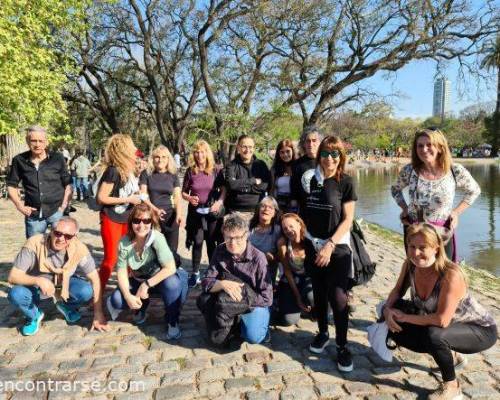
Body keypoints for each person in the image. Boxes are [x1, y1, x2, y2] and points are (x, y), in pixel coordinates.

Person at [382, 224, 497, 400]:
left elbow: (442, 320)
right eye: (412, 246)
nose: (415, 253)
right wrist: (388, 311)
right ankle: (451, 355)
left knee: (434, 335)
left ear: (436, 248)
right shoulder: (410, 266)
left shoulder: (450, 274)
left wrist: (404, 317)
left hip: (479, 329)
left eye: (422, 248)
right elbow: (397, 291)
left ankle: (452, 386)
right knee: (394, 327)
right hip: (448, 325)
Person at [301, 136, 357, 372]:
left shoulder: (346, 182)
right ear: (319, 155)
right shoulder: (309, 179)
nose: (330, 159)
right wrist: (309, 240)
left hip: (338, 247)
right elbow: (302, 212)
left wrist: (330, 244)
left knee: (338, 297)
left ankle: (342, 345)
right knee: (320, 293)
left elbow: (348, 220)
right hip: (313, 244)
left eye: (335, 154)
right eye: (325, 153)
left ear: (341, 157)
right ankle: (323, 333)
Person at [7, 217, 109, 336]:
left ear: (74, 236)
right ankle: (34, 315)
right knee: (16, 294)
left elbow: (95, 279)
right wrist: (38, 280)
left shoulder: (79, 248)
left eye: (68, 236)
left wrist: (98, 314)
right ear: (51, 231)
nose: (61, 239)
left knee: (86, 290)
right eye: (58, 233)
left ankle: (66, 306)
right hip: (33, 286)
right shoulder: (34, 243)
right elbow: (13, 276)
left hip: (62, 284)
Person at [391, 128, 480, 262]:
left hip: (442, 232)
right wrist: (405, 208)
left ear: (440, 147)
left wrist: (456, 212)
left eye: (429, 145)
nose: (424, 149)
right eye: (420, 145)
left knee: (442, 274)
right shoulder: (409, 170)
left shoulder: (455, 170)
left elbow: (474, 190)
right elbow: (395, 190)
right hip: (415, 232)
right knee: (417, 273)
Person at [106, 204, 188, 339]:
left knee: (173, 284)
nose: (141, 225)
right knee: (117, 300)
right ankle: (141, 308)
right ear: (131, 222)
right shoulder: (124, 242)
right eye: (137, 220)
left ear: (151, 222)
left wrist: (146, 285)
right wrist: (127, 295)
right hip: (139, 280)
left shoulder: (157, 238)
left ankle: (172, 320)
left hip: (161, 279)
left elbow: (170, 268)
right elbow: (121, 272)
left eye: (146, 221)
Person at [201, 213, 273, 344]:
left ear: (246, 235)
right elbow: (206, 281)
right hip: (227, 299)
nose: (233, 243)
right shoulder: (220, 250)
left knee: (253, 337)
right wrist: (222, 284)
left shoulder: (259, 258)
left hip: (253, 303)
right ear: (223, 235)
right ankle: (232, 324)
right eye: (228, 238)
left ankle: (262, 327)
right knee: (203, 300)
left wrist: (242, 299)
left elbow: (267, 298)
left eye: (238, 237)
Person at [7, 126, 73, 238]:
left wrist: (64, 206)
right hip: (33, 215)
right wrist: (20, 206)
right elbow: (11, 185)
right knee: (34, 249)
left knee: (62, 248)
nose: (37, 144)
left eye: (40, 141)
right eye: (33, 140)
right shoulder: (19, 160)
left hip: (57, 212)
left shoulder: (57, 158)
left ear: (46, 142)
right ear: (27, 141)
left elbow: (68, 183)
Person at [96, 134, 141, 288]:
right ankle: (98, 293)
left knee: (129, 255)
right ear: (124, 149)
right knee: (111, 258)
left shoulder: (128, 169)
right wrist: (128, 200)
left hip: (126, 218)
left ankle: (128, 290)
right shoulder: (113, 170)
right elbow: (101, 198)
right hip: (111, 218)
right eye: (131, 145)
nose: (135, 148)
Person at [182, 140, 226, 288]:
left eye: (202, 152)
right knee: (198, 241)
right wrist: (189, 198)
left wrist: (219, 202)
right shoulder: (190, 171)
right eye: (196, 152)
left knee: (211, 241)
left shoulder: (216, 170)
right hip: (196, 212)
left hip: (212, 212)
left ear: (207, 153)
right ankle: (195, 273)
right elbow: (183, 192)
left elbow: (224, 189)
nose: (199, 155)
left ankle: (212, 272)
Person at [139, 145, 182, 268]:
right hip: (152, 216)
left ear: (168, 159)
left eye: (164, 157)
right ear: (152, 159)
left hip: (171, 216)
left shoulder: (173, 175)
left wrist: (179, 215)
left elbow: (177, 197)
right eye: (157, 157)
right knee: (153, 248)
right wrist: (155, 209)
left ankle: (171, 275)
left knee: (172, 250)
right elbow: (143, 195)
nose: (160, 160)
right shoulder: (146, 174)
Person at [275, 213, 313, 326]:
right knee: (288, 321)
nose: (288, 230)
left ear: (299, 224)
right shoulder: (283, 243)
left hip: (309, 278)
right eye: (285, 228)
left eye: (291, 226)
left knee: (312, 300)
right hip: (291, 279)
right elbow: (287, 271)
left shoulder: (310, 241)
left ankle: (310, 304)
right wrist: (297, 297)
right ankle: (294, 304)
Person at [224, 135, 270, 223]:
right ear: (238, 147)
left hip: (257, 212)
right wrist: (253, 181)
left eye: (250, 147)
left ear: (254, 148)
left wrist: (242, 187)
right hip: (235, 212)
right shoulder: (231, 165)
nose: (247, 150)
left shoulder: (261, 165)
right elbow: (231, 185)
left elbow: (265, 185)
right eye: (244, 146)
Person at [290, 126, 323, 214]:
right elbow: (294, 190)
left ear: (320, 142)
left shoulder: (327, 161)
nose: (310, 144)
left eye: (314, 140)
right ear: (304, 144)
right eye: (308, 141)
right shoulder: (297, 164)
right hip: (305, 212)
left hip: (324, 209)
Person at [248, 196, 282, 283]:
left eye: (270, 207)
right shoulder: (249, 228)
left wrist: (273, 258)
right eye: (263, 206)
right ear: (258, 210)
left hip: (267, 272)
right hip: (248, 268)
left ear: (274, 213)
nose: (266, 209)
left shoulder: (278, 230)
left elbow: (281, 256)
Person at [269, 139, 296, 212]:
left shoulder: (299, 167)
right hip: (278, 206)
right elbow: (271, 189)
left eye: (288, 151)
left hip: (295, 206)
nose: (285, 154)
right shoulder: (275, 169)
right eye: (282, 152)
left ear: (292, 151)